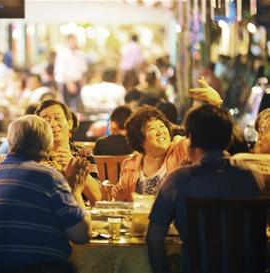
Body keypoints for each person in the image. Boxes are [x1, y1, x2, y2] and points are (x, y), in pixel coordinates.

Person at [146, 105, 261, 273]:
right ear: (228, 138)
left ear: (190, 139)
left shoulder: (177, 182)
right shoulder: (252, 178)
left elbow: (154, 239)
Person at [0, 115, 91, 273]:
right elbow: (81, 235)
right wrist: (76, 190)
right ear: (47, 144)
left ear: (11, 143)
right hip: (41, 268)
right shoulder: (48, 176)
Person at [112, 77, 223, 200]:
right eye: (152, 129)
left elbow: (205, 134)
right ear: (139, 139)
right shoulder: (130, 165)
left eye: (162, 126)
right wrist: (119, 197)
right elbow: (123, 203)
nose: (160, 131)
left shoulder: (180, 148)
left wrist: (215, 104)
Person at [35, 99, 102, 203]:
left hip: (80, 213)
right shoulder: (34, 155)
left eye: (57, 118)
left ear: (70, 123)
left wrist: (75, 165)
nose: (52, 124)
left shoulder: (83, 154)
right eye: (46, 120)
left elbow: (98, 198)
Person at [54, 34, 87, 112]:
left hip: (78, 81)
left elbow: (83, 69)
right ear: (67, 42)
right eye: (70, 41)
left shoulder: (80, 53)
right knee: (67, 107)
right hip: (66, 82)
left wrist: (82, 81)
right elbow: (61, 70)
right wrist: (69, 83)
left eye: (74, 41)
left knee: (78, 105)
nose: (72, 43)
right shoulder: (62, 53)